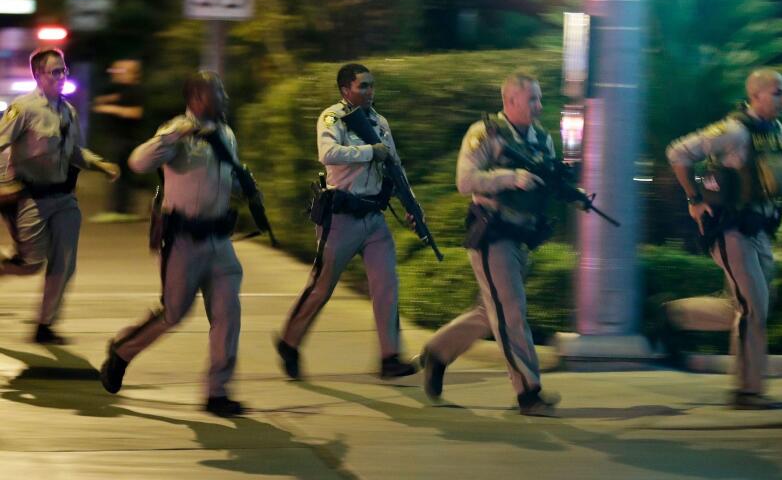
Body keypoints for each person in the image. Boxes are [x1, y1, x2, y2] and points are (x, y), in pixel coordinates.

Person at [99, 70, 246, 417]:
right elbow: (137, 162)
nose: (223, 96)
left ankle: (217, 392)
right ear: (196, 97)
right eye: (217, 91)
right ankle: (122, 352)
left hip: (219, 241)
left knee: (228, 313)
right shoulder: (177, 132)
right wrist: (172, 137)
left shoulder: (225, 132)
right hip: (184, 241)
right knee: (174, 313)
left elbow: (228, 176)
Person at [418, 71, 559, 417]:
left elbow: (549, 182)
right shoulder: (485, 134)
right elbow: (465, 181)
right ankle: (528, 392)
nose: (539, 106)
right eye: (532, 99)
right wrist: (510, 177)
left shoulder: (542, 138)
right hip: (492, 232)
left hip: (521, 235)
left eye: (540, 98)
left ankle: (437, 351)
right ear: (510, 100)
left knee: (490, 310)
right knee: (511, 312)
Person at [665, 68, 782, 410]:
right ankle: (747, 391)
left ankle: (672, 315)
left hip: (760, 230)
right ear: (755, 95)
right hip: (730, 231)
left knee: (750, 306)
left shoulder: (780, 133)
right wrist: (694, 200)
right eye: (777, 92)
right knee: (753, 306)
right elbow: (678, 153)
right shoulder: (733, 131)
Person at [275, 63, 417, 380]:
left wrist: (409, 204)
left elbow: (394, 165)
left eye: (371, 86)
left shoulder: (379, 122)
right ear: (345, 91)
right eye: (362, 86)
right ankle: (289, 341)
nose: (369, 91)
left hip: (373, 217)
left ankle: (390, 356)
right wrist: (370, 151)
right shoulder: (332, 118)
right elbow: (328, 153)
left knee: (386, 286)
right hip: (341, 218)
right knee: (321, 287)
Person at [0, 47, 120, 344]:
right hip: (32, 197)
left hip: (64, 197)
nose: (61, 76)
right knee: (32, 262)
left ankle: (44, 325)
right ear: (38, 75)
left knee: (64, 262)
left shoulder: (68, 111)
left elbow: (75, 151)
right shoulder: (23, 108)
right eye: (54, 71)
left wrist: (99, 163)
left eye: (63, 70)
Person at [90, 59, 144, 221]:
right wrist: (104, 102)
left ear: (131, 74)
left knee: (122, 176)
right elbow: (114, 98)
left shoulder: (135, 90)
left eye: (121, 71)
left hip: (127, 140)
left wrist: (109, 108)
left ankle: (122, 210)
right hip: (117, 139)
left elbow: (135, 112)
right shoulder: (122, 91)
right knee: (117, 174)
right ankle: (119, 209)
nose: (117, 74)